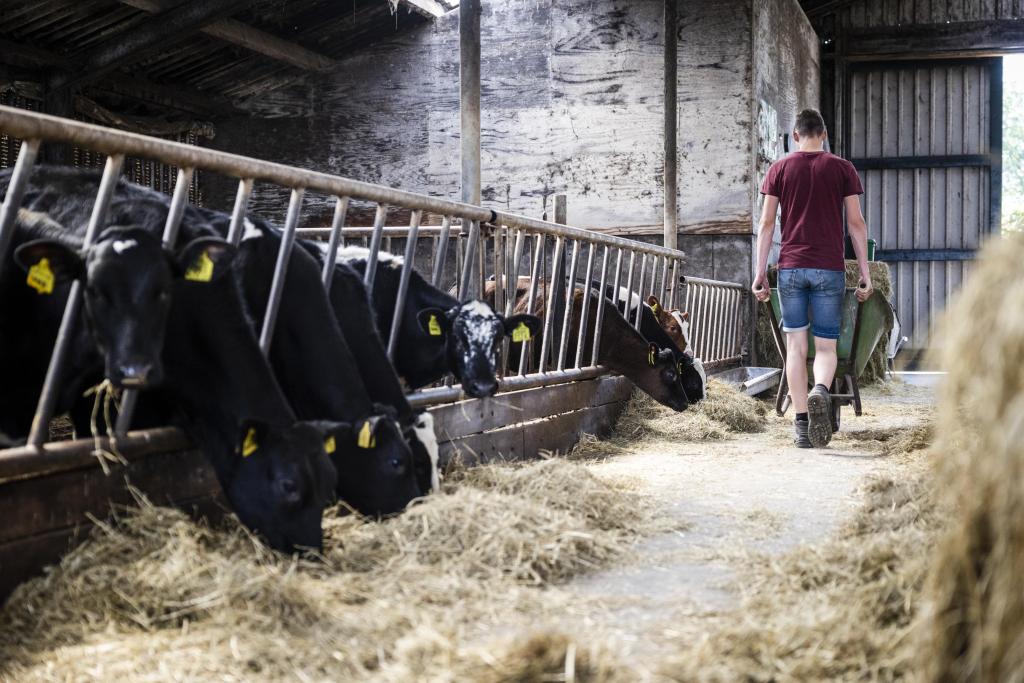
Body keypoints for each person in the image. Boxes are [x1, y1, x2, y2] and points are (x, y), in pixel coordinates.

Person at [752, 109, 872, 449]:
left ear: (794, 135)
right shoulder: (842, 168)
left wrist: (760, 273)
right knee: (826, 346)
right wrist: (864, 274)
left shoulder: (779, 169)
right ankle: (821, 389)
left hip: (790, 268)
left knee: (795, 347)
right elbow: (856, 223)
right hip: (828, 269)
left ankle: (802, 425)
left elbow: (766, 224)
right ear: (823, 133)